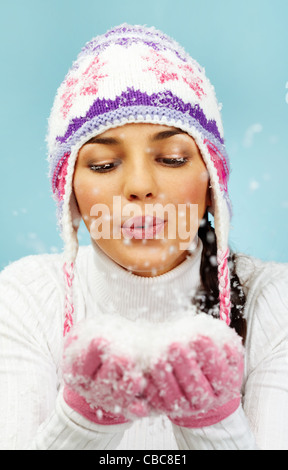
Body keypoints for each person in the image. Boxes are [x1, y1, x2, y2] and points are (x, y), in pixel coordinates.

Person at [0, 24, 288, 451]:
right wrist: (84, 420)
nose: (139, 185)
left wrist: (209, 421)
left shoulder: (274, 303)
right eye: (101, 164)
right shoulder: (23, 298)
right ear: (70, 196)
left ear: (211, 182)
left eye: (172, 158)